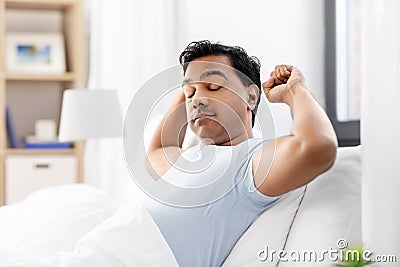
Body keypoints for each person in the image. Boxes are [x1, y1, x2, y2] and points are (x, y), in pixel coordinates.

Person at [144, 40, 337, 267]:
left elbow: (318, 147)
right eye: (190, 93)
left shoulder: (252, 160)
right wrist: (190, 83)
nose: (197, 99)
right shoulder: (186, 161)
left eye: (214, 86)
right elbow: (158, 149)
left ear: (251, 97)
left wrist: (296, 90)